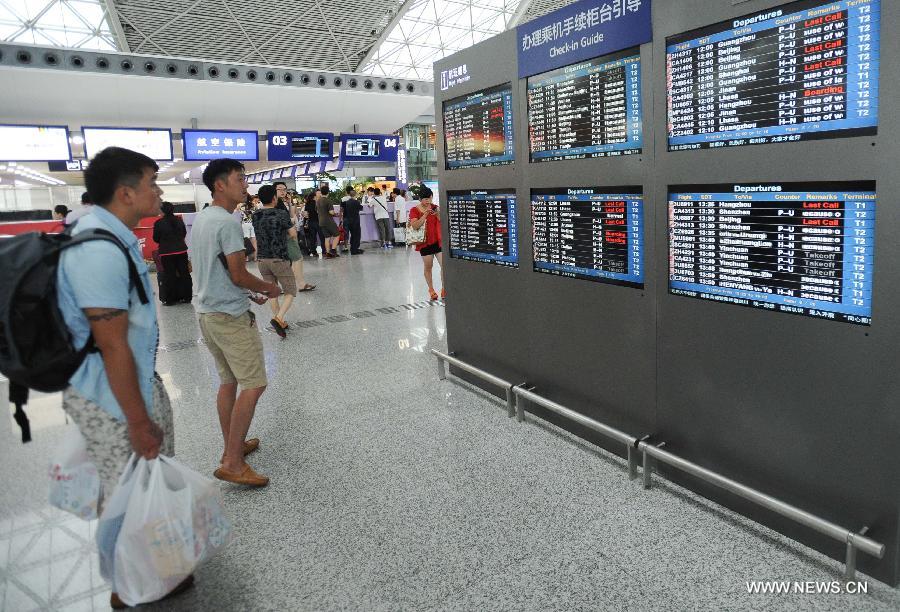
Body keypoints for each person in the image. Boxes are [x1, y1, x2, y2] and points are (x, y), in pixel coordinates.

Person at [56, 147, 189, 607]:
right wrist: (137, 419)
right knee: (125, 489)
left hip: (126, 381)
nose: (159, 191)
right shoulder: (97, 248)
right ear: (126, 192)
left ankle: (158, 569)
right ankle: (128, 587)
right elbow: (110, 343)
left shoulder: (108, 235)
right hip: (110, 393)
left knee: (141, 481)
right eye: (153, 183)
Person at [193, 158, 281, 487]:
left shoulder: (203, 219)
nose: (245, 185)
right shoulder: (228, 223)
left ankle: (234, 444)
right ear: (220, 185)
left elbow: (212, 270)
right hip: (229, 319)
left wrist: (245, 294)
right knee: (255, 384)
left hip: (208, 313)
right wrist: (267, 288)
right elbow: (238, 272)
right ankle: (232, 461)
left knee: (228, 382)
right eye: (240, 179)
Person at [252, 184, 298, 337]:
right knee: (290, 290)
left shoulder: (255, 214)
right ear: (274, 198)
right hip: (279, 258)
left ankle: (280, 322)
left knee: (272, 291)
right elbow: (292, 234)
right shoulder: (280, 214)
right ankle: (278, 318)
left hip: (262, 260)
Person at [407, 186, 445, 300]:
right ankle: (431, 289)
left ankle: (444, 288)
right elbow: (415, 225)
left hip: (438, 242)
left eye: (429, 198)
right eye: (425, 198)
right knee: (428, 267)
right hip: (424, 243)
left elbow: (443, 222)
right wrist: (425, 215)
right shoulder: (414, 210)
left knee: (444, 265)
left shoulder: (435, 207)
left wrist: (437, 214)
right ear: (420, 199)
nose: (427, 201)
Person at [152, 202, 193, 305]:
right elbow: (184, 233)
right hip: (181, 250)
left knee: (169, 275)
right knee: (185, 274)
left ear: (162, 211)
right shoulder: (179, 220)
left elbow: (156, 239)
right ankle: (187, 297)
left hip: (166, 253)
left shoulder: (158, 223)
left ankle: (170, 300)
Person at [316, 185, 340, 258]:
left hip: (321, 221)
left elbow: (317, 211)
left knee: (327, 237)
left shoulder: (318, 201)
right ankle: (333, 250)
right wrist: (336, 214)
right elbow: (331, 212)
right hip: (328, 221)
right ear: (328, 192)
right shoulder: (328, 200)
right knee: (337, 234)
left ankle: (328, 253)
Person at [343, 186, 364, 254]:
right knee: (356, 235)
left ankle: (352, 248)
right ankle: (355, 249)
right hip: (356, 221)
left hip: (349, 220)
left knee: (352, 235)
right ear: (355, 194)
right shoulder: (356, 202)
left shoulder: (347, 202)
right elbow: (361, 208)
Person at [304, 191, 324, 256]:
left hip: (310, 222)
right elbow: (319, 212)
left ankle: (313, 252)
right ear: (314, 196)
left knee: (312, 238)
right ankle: (324, 250)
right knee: (322, 237)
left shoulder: (307, 203)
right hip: (318, 221)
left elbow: (306, 214)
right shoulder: (317, 203)